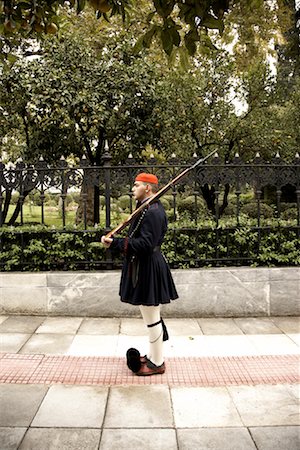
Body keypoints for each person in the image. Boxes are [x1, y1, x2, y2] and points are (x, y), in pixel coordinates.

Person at [101, 172, 178, 376]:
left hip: (148, 267)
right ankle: (154, 356)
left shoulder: (153, 211)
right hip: (144, 266)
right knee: (151, 317)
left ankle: (157, 362)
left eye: (136, 185)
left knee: (152, 317)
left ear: (148, 188)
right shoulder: (146, 208)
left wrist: (116, 243)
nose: (133, 189)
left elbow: (146, 244)